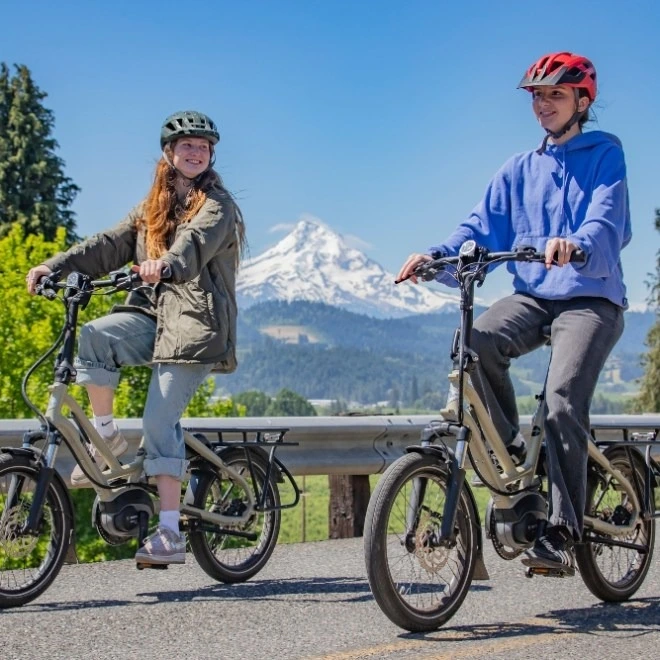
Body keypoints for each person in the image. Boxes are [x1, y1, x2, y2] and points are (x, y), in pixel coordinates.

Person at [397, 52, 630, 575]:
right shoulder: (518, 169)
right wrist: (434, 257)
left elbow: (607, 219)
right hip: (535, 295)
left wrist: (576, 244)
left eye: (556, 95)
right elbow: (478, 229)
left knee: (562, 401)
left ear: (582, 101)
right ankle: (517, 468)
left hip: (591, 296)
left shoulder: (605, 153)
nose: (544, 105)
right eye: (537, 97)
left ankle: (565, 529)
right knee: (474, 343)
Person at [26, 110, 246, 566]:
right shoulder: (152, 207)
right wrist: (56, 265)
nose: (195, 152)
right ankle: (105, 436)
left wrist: (163, 264)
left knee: (157, 422)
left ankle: (170, 534)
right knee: (95, 335)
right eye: (187, 145)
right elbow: (108, 243)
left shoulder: (218, 205)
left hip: (196, 328)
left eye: (203, 147)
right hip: (154, 320)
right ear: (169, 153)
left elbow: (193, 245)